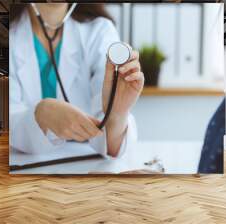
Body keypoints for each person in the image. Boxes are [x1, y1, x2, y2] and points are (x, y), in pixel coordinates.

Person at [9, 3, 143, 158]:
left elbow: (111, 146)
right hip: (23, 164)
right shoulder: (5, 32)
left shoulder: (99, 31)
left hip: (82, 168)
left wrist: (117, 115)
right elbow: (5, 121)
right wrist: (41, 116)